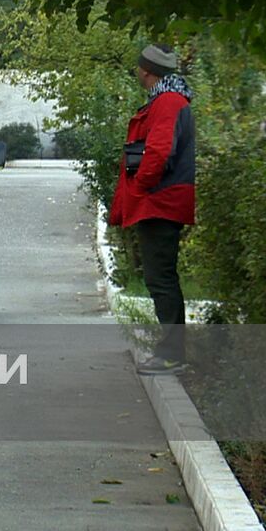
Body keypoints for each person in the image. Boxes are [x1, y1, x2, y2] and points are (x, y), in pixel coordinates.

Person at [109, 44, 196, 375]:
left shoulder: (168, 103)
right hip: (162, 199)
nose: (137, 72)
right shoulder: (170, 100)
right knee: (161, 277)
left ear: (146, 70)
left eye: (139, 67)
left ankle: (172, 355)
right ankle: (172, 351)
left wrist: (141, 187)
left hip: (160, 202)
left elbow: (157, 153)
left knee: (161, 279)